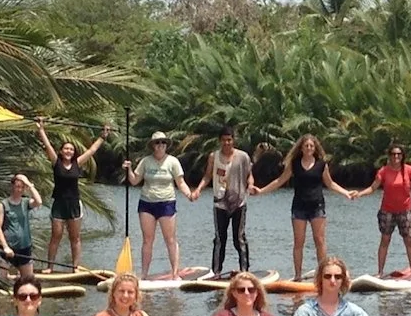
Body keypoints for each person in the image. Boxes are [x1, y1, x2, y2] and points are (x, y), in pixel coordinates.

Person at [250, 134, 353, 281]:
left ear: (315, 148)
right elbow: (279, 181)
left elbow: (330, 184)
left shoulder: (321, 165)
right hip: (299, 207)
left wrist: (346, 193)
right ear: (301, 148)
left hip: (317, 206)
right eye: (306, 146)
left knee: (320, 241)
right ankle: (297, 275)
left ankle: (322, 274)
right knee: (299, 242)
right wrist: (261, 191)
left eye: (311, 146)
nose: (309, 148)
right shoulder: (294, 164)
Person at [351, 144, 411, 278]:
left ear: (402, 156)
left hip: (405, 210)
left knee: (408, 240)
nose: (396, 156)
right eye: (393, 154)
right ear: (389, 156)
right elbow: (373, 188)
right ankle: (380, 272)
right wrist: (360, 194)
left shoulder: (408, 170)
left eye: (398, 154)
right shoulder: (383, 171)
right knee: (385, 240)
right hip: (387, 211)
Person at [35, 118, 110, 272]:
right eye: (66, 149)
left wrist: (102, 137)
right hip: (59, 204)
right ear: (61, 151)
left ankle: (75, 267)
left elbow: (91, 151)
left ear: (74, 152)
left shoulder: (78, 163)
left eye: (71, 149)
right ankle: (50, 267)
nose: (68, 151)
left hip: (74, 204)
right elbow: (48, 145)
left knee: (74, 238)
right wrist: (41, 129)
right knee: (56, 236)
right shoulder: (56, 163)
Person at [123, 131, 195, 280]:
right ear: (153, 146)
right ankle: (144, 274)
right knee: (147, 240)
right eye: (157, 143)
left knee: (170, 239)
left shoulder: (173, 161)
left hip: (166, 203)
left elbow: (180, 182)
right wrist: (128, 169)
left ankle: (175, 273)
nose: (160, 145)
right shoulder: (145, 161)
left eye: (163, 142)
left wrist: (189, 194)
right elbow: (135, 181)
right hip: (147, 204)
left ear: (166, 145)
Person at [191, 126, 254, 274]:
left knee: (239, 238)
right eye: (224, 140)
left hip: (239, 202)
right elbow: (207, 176)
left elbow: (249, 175)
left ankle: (244, 271)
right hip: (220, 203)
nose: (227, 143)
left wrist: (251, 185)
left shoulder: (243, 157)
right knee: (220, 239)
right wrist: (198, 189)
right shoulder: (214, 157)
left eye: (229, 140)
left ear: (233, 140)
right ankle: (216, 272)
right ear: (220, 141)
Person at [0, 173, 42, 280]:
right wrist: (5, 247)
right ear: (12, 187)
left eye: (22, 187)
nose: (19, 190)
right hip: (8, 248)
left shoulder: (26, 203)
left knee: (28, 280)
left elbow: (39, 202)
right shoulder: (3, 204)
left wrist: (29, 184)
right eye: (17, 186)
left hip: (24, 247)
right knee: (1, 280)